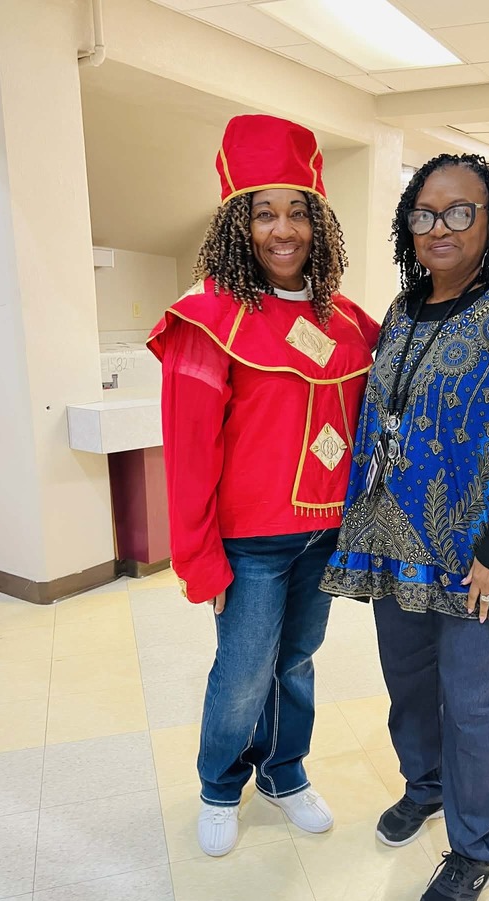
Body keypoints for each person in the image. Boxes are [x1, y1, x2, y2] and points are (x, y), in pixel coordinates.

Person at [322, 152, 489, 901]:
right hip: (392, 545)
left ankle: (474, 848)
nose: (440, 227)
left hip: (479, 558)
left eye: (460, 211)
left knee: (473, 700)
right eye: (425, 212)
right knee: (407, 683)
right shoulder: (402, 312)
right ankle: (424, 785)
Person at [148, 115, 379, 858]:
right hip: (248, 543)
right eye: (264, 211)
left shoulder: (347, 322)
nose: (284, 229)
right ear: (235, 224)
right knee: (244, 673)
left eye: (299, 210)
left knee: (297, 663)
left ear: (321, 221)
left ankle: (283, 771)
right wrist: (198, 559)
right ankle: (221, 785)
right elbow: (187, 454)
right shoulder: (207, 320)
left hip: (323, 533)